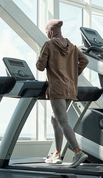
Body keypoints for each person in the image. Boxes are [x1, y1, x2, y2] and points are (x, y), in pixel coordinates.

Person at [36, 19, 89, 168]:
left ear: (51, 31)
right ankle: (57, 153)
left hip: (57, 88)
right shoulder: (72, 47)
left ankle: (78, 152)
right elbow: (84, 61)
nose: (47, 35)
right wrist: (72, 75)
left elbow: (40, 67)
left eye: (47, 32)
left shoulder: (49, 45)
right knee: (56, 119)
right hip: (70, 88)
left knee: (62, 121)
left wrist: (40, 57)